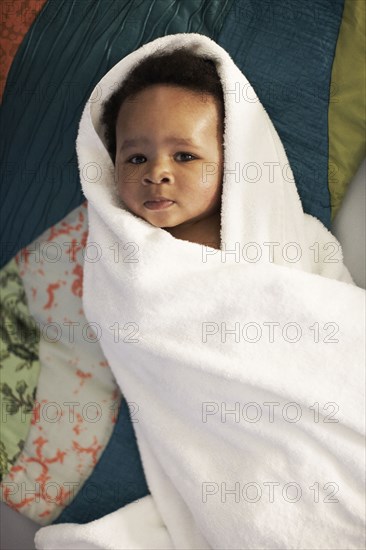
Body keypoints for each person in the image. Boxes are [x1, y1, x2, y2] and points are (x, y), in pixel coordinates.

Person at [100, 50, 225, 250]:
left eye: (184, 156)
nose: (156, 174)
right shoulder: (111, 241)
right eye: (137, 159)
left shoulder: (249, 242)